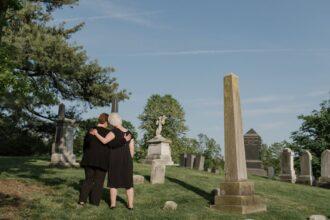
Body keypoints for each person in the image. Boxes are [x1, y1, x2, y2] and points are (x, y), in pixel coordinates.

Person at [78, 113, 130, 206]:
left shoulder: (90, 130)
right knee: (99, 181)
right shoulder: (108, 133)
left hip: (89, 159)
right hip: (102, 161)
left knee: (88, 180)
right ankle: (94, 202)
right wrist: (124, 140)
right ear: (106, 122)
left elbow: (85, 145)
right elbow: (113, 145)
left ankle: (82, 201)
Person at [90, 113, 135, 210]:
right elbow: (132, 150)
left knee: (113, 183)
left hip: (114, 160)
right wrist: (129, 160)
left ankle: (113, 205)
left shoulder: (113, 132)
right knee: (129, 184)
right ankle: (130, 205)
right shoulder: (129, 133)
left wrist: (96, 133)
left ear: (111, 122)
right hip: (127, 161)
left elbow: (104, 141)